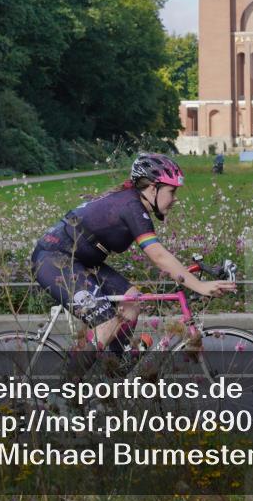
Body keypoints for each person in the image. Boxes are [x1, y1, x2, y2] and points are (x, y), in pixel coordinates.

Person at [31, 153, 236, 378]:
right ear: (152, 189)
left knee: (131, 301)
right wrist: (200, 286)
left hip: (82, 261)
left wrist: (189, 274)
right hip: (55, 259)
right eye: (172, 191)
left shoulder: (133, 203)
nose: (175, 198)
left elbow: (160, 255)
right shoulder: (132, 207)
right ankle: (63, 395)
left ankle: (117, 367)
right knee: (106, 322)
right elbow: (158, 255)